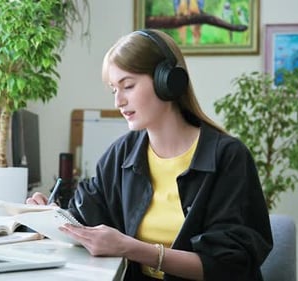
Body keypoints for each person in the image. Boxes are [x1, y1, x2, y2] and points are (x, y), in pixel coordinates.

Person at [26, 29, 273, 281]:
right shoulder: (122, 153)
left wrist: (131, 248)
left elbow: (230, 265)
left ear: (167, 81)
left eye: (128, 86)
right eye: (114, 90)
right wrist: (50, 215)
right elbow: (86, 217)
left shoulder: (228, 157)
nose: (118, 102)